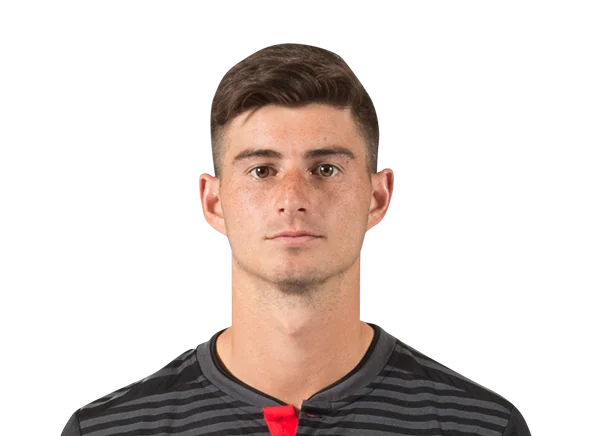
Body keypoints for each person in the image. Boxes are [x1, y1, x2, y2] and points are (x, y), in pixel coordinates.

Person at [62, 41, 532, 436]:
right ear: (213, 201)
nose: (292, 199)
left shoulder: (484, 427)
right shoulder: (108, 430)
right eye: (261, 170)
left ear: (378, 197)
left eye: (325, 169)